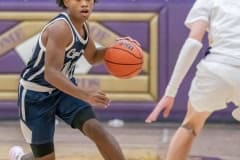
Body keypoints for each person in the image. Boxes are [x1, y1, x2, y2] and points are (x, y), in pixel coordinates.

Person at [9, 0, 126, 160]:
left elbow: (92, 57)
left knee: (96, 130)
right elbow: (50, 74)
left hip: (63, 91)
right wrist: (86, 95)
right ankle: (20, 158)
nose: (84, 4)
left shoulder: (83, 26)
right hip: (35, 96)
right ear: (66, 2)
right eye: (78, 0)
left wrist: (118, 50)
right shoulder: (60, 28)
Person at [145, 0, 240, 159]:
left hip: (217, 69)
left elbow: (193, 43)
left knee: (191, 125)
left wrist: (170, 92)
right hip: (222, 67)